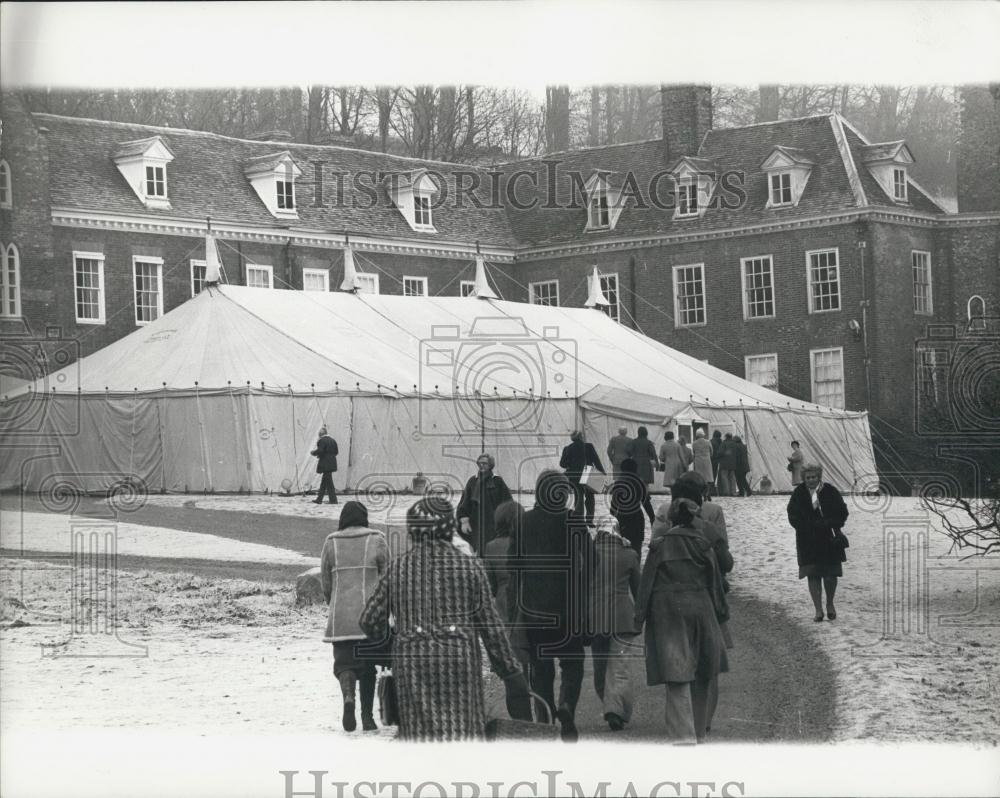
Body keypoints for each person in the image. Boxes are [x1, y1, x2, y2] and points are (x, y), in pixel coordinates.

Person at [358, 497, 531, 741]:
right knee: (462, 733)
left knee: (419, 738)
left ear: (413, 530)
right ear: (450, 528)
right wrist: (512, 673)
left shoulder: (398, 569)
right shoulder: (469, 568)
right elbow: (491, 629)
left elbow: (369, 620)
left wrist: (396, 644)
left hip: (412, 664)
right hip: (459, 663)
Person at [508, 470, 594, 742]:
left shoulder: (523, 521)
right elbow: (593, 561)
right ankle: (567, 705)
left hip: (535, 609)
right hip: (569, 608)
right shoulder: (573, 519)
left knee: (540, 667)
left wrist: (515, 610)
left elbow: (514, 568)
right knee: (572, 662)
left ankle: (544, 722)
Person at [636, 498, 729, 744]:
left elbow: (646, 584)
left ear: (672, 520)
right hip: (702, 608)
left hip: (667, 612)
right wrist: (721, 612)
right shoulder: (703, 544)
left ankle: (682, 735)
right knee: (702, 671)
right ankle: (699, 732)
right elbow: (715, 582)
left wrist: (639, 618)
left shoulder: (659, 546)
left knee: (676, 671)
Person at [320, 501, 389, 732]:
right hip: (369, 615)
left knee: (344, 663)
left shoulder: (331, 542)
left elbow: (326, 583)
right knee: (368, 666)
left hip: (341, 616)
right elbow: (387, 577)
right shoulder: (377, 539)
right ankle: (367, 718)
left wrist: (334, 604)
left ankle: (348, 696)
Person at [589, 518, 641, 732]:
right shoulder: (629, 555)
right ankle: (615, 710)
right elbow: (638, 589)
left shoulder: (588, 555)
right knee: (620, 667)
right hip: (622, 616)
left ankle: (610, 706)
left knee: (600, 667)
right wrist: (641, 616)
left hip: (595, 618)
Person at [787, 464, 849, 622]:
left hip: (829, 539)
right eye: (808, 478)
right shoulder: (799, 493)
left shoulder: (830, 491)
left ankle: (830, 604)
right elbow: (792, 514)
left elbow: (842, 511)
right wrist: (806, 526)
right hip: (808, 541)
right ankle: (818, 610)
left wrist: (830, 522)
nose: (811, 480)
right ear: (803, 479)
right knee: (812, 574)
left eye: (814, 477)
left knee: (830, 575)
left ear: (819, 477)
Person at [456, 453, 513, 555]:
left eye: (484, 463)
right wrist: (464, 521)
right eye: (479, 463)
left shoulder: (497, 481)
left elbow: (508, 504)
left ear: (491, 465)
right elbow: (464, 503)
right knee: (477, 553)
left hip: (493, 525)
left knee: (491, 553)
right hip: (475, 525)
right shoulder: (472, 481)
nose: (481, 465)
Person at [559, 430, 606, 528]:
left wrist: (570, 463)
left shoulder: (568, 448)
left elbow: (562, 464)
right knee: (590, 497)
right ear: (581, 437)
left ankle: (579, 519)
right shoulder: (588, 446)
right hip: (588, 473)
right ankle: (589, 520)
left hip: (574, 475)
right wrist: (602, 472)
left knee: (578, 496)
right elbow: (596, 460)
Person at [609, 457, 648, 557]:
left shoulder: (618, 482)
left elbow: (614, 504)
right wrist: (652, 518)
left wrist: (611, 518)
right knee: (637, 545)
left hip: (622, 517)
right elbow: (646, 503)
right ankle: (636, 567)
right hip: (637, 517)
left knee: (622, 544)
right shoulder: (639, 482)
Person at [629, 426, 658, 525]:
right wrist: (657, 465)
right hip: (646, 465)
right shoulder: (649, 443)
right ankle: (645, 496)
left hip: (636, 464)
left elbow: (629, 452)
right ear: (646, 433)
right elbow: (653, 454)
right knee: (645, 483)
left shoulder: (633, 442)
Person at [311, 426, 339, 504]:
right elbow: (336, 452)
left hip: (325, 463)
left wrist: (313, 452)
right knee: (324, 482)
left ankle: (333, 500)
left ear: (320, 434)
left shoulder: (322, 441)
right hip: (332, 463)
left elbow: (320, 450)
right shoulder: (333, 440)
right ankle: (319, 499)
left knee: (329, 483)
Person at [716, 433, 738, 497]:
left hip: (724, 463)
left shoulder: (724, 443)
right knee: (732, 478)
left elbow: (720, 452)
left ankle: (726, 492)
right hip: (733, 463)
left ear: (726, 437)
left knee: (724, 477)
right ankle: (733, 492)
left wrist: (719, 455)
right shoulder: (734, 444)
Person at [709, 430, 724, 494]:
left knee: (711, 474)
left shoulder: (710, 441)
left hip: (711, 460)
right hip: (717, 460)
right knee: (715, 474)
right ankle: (715, 490)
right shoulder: (720, 442)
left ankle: (711, 490)